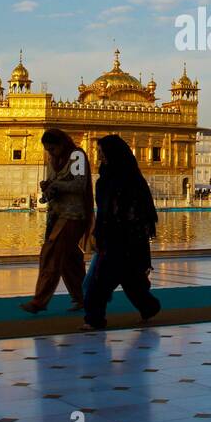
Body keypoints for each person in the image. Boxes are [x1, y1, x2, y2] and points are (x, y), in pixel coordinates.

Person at [81, 135, 162, 330]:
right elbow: (104, 211)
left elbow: (133, 213)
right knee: (130, 280)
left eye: (101, 152)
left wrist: (109, 234)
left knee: (97, 281)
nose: (98, 156)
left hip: (121, 239)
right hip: (115, 238)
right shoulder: (108, 179)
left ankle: (95, 320)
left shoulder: (126, 181)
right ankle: (149, 307)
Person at [20, 128, 90, 314]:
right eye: (48, 150)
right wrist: (48, 187)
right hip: (57, 214)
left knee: (52, 253)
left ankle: (39, 301)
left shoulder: (76, 156)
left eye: (53, 149)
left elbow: (79, 184)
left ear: (62, 144)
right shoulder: (54, 160)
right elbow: (54, 181)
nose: (50, 153)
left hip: (74, 215)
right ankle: (84, 297)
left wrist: (57, 184)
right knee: (68, 258)